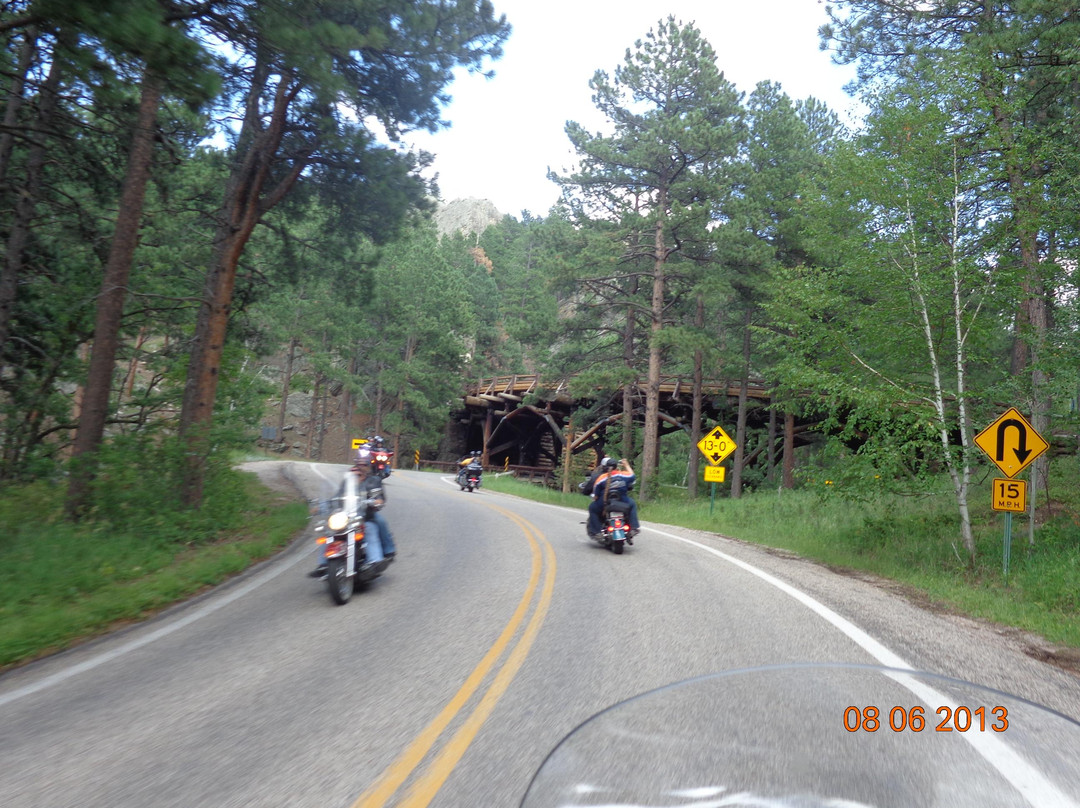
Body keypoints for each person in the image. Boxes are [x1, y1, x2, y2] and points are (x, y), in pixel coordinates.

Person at [310, 461, 396, 577]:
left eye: (363, 466)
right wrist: (320, 506)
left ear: (366, 469)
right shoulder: (346, 484)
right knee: (328, 533)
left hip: (364, 516)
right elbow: (336, 498)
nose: (357, 473)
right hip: (346, 518)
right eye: (354, 472)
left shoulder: (373, 480)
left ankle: (374, 561)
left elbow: (379, 497)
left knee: (371, 528)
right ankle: (323, 564)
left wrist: (376, 501)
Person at [587, 456, 640, 542]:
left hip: (605, 503)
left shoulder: (601, 478)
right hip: (622, 501)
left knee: (592, 508)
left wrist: (596, 498)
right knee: (632, 504)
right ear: (616, 466)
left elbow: (596, 495)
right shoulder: (623, 475)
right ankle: (634, 527)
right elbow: (632, 476)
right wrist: (626, 465)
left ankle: (597, 532)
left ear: (605, 467)